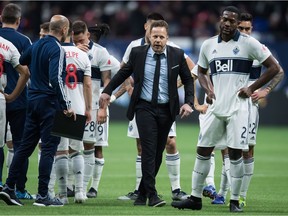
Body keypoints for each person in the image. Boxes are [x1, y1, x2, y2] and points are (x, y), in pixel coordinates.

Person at [171, 6, 280, 212]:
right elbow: (201, 72)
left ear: (237, 23)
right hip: (215, 106)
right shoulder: (209, 44)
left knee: (236, 154)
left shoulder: (249, 44)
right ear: (220, 20)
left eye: (232, 21)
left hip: (238, 108)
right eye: (225, 19)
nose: (228, 23)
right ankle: (195, 198)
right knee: (203, 150)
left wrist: (252, 88)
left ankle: (235, 200)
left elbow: (274, 68)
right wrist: (207, 89)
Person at [98, 20, 194, 207]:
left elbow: (188, 80)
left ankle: (141, 195)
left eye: (161, 37)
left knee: (158, 152)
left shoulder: (177, 55)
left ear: (167, 38)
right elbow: (122, 74)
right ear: (149, 37)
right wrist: (107, 91)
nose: (157, 40)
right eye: (154, 36)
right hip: (144, 108)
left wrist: (189, 102)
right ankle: (152, 194)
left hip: (167, 109)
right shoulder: (138, 53)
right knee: (149, 150)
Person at [211, 12, 285, 206]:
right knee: (227, 149)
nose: (244, 31)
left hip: (248, 105)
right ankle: (222, 192)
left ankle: (241, 195)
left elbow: (279, 71)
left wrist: (265, 90)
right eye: (241, 28)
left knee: (247, 150)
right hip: (228, 103)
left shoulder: (257, 48)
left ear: (252, 29)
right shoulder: (228, 46)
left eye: (247, 29)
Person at [0, 14, 74, 207]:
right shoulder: (57, 48)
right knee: (49, 148)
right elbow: (56, 79)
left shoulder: (37, 44)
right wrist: (66, 105)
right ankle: (43, 195)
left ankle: (9, 187)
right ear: (64, 30)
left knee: (24, 148)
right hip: (49, 103)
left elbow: (23, 60)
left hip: (32, 101)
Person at [48, 20, 92, 204]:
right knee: (77, 150)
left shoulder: (57, 52)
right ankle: (81, 192)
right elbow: (88, 84)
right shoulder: (82, 55)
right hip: (79, 106)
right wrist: (88, 108)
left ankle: (63, 194)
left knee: (61, 152)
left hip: (61, 107)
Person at [72, 20, 112, 199]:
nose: (79, 44)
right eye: (76, 41)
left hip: (96, 108)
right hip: (75, 106)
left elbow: (108, 80)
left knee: (95, 146)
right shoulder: (69, 51)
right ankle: (75, 186)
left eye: (81, 40)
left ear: (88, 35)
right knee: (73, 147)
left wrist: (104, 106)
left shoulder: (101, 53)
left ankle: (91, 187)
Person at [0, 3, 33, 199]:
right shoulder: (24, 40)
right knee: (21, 144)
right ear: (19, 21)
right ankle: (19, 189)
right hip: (18, 99)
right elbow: (29, 71)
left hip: (0, 97)